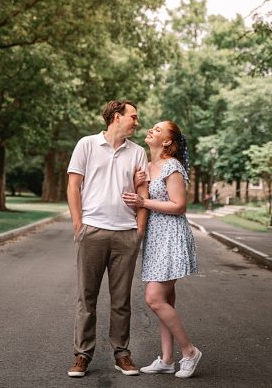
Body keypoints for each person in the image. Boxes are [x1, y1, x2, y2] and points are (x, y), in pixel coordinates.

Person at [66, 100, 149, 378]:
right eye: (133, 117)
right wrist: (79, 224)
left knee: (121, 299)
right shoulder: (86, 144)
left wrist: (139, 229)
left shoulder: (137, 152)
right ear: (117, 117)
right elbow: (74, 185)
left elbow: (143, 192)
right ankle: (82, 354)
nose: (137, 122)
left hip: (125, 233)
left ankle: (122, 354)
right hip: (92, 230)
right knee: (86, 297)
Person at [122, 121, 201, 378]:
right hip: (155, 238)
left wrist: (144, 200)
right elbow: (143, 200)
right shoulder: (146, 165)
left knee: (154, 298)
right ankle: (167, 360)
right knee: (166, 301)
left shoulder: (172, 166)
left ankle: (189, 351)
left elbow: (179, 205)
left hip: (171, 238)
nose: (151, 130)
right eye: (153, 127)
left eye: (158, 129)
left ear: (167, 141)